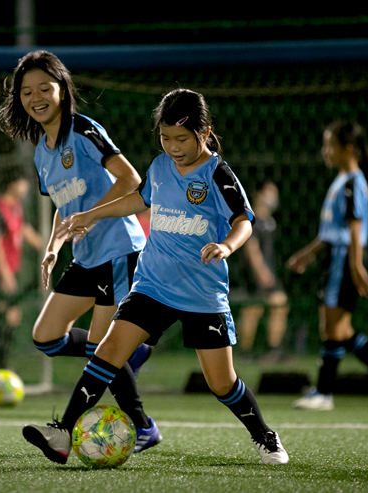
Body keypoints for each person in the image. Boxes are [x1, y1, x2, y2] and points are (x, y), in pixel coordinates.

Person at [23, 88, 289, 466]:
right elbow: (141, 199)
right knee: (108, 352)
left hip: (201, 292)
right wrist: (93, 214)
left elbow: (244, 221)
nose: (173, 147)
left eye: (182, 139)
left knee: (221, 382)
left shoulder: (218, 174)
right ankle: (62, 431)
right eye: (165, 138)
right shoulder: (160, 167)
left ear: (206, 132)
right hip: (152, 283)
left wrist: (227, 246)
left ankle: (264, 435)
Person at [0, 50, 158, 451]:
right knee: (46, 336)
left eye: (44, 88)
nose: (36, 97)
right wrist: (53, 246)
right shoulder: (40, 152)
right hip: (85, 257)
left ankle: (132, 427)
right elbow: (62, 207)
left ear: (62, 90)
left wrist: (92, 216)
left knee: (102, 354)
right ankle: (125, 353)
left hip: (119, 249)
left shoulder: (83, 130)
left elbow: (132, 180)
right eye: (27, 91)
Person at [286, 120, 368, 411]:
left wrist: (355, 266)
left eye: (330, 145)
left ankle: (325, 393)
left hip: (343, 258)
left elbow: (354, 227)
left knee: (331, 327)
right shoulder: (344, 179)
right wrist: (309, 252)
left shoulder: (353, 181)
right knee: (339, 329)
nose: (324, 151)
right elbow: (334, 227)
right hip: (337, 255)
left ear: (348, 149)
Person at [0, 165, 43, 370]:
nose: (26, 187)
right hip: (1, 272)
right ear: (13, 184)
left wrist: (47, 246)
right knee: (6, 315)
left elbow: (23, 228)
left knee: (11, 316)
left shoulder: (16, 206)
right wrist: (4, 274)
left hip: (13, 269)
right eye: (23, 182)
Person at [236, 180, 290, 362]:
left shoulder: (269, 221)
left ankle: (273, 350)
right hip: (257, 272)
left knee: (278, 305)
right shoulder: (252, 217)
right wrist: (260, 271)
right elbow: (251, 246)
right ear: (258, 194)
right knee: (253, 309)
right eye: (269, 192)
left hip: (268, 271)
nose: (273, 197)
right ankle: (246, 352)